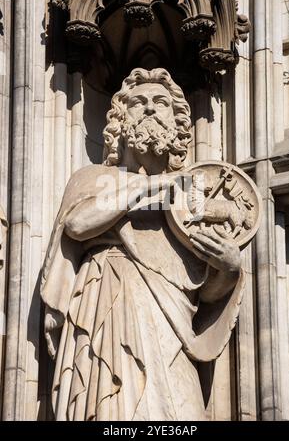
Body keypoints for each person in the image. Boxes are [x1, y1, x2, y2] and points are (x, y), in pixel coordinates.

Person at [41, 68, 244, 421]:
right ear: (120, 120)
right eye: (138, 103)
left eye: (160, 103)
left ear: (178, 122)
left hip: (173, 333)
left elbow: (203, 295)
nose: (149, 109)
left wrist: (228, 268)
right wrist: (153, 187)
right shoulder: (94, 178)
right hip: (108, 309)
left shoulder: (193, 193)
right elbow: (77, 224)